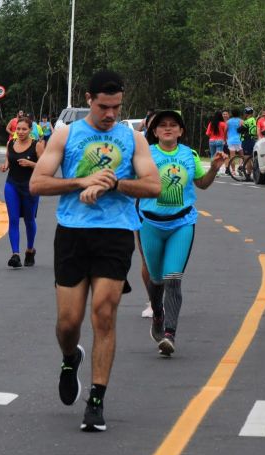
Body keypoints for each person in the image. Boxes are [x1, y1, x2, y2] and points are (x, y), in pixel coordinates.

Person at [29, 70, 161, 432]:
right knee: (69, 323)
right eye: (104, 107)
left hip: (115, 233)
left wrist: (116, 183)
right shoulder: (66, 134)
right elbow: (37, 183)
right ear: (89, 99)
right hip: (73, 234)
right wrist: (81, 181)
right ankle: (70, 358)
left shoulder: (133, 139)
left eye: (116, 107)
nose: (111, 114)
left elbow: (154, 186)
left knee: (104, 314)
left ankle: (97, 399)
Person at [140, 110, 227, 356]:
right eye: (162, 125)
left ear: (181, 131)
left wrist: (214, 169)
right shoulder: (146, 155)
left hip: (182, 223)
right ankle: (158, 313)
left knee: (173, 278)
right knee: (155, 279)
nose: (168, 128)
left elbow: (202, 183)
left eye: (173, 125)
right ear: (154, 132)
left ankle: (169, 334)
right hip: (150, 224)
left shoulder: (190, 155)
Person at [0, 116, 44, 268]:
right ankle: (15, 254)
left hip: (30, 186)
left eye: (24, 129)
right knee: (13, 219)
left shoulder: (37, 145)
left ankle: (30, 250)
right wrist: (5, 165)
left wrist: (31, 163)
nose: (20, 132)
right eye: (18, 129)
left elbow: (45, 166)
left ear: (31, 130)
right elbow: (8, 158)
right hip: (12, 184)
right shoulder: (11, 143)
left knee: (29, 220)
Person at [225, 108, 244, 173]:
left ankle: (233, 171)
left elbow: (225, 131)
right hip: (239, 140)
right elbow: (243, 130)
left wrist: (226, 138)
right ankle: (240, 166)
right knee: (242, 155)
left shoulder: (228, 122)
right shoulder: (241, 121)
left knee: (232, 156)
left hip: (230, 140)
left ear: (231, 114)